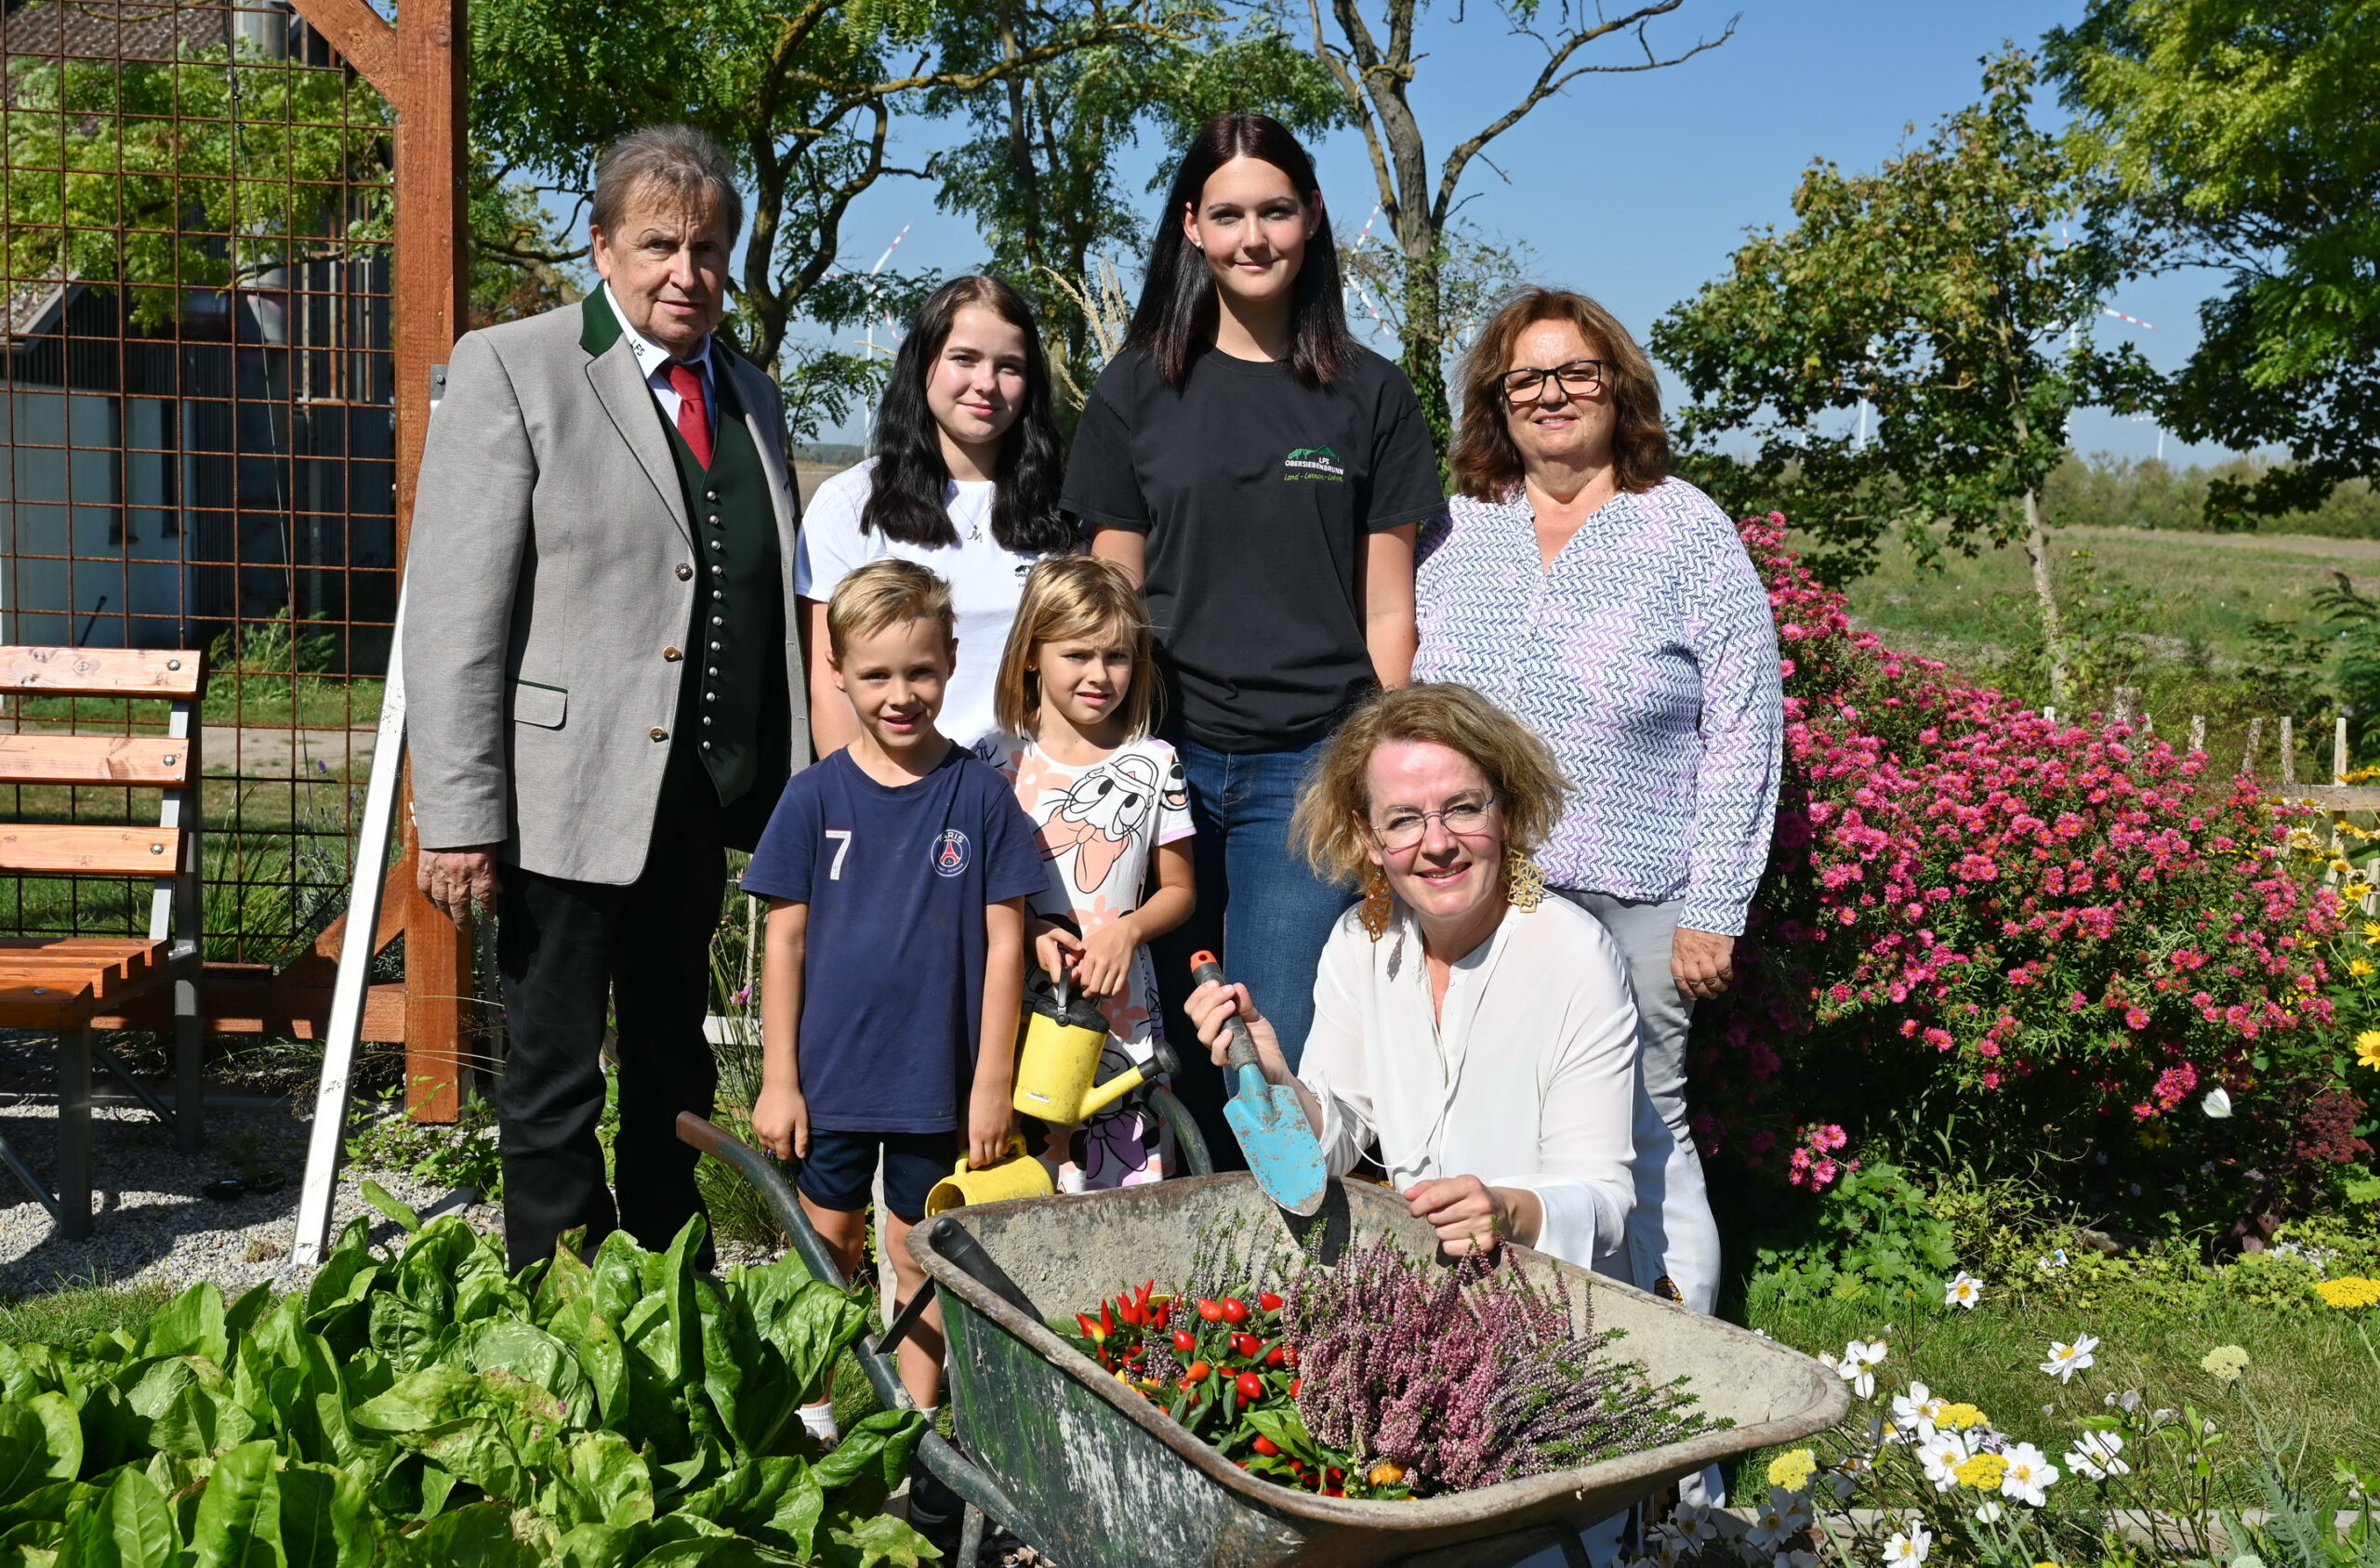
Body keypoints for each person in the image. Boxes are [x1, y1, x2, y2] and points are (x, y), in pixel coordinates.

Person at [406, 125, 804, 1273]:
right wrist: (465, 812)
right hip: (561, 802)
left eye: (710, 247)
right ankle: (559, 1315)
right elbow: (455, 613)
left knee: (676, 1070)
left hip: (699, 802)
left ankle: (669, 1299)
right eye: (660, 244)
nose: (688, 270)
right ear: (602, 248)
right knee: (553, 1077)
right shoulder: (515, 366)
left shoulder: (753, 397)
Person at [1063, 112, 1445, 1166]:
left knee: (1265, 1035)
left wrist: (1384, 756)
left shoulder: (1370, 394)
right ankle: (1161, 1279)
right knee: (1150, 1042)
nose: (1253, 236)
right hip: (1162, 764)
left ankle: (1276, 1281)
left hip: (1308, 764)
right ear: (1190, 227)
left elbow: (1387, 609)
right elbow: (1112, 601)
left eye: (1274, 210)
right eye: (1227, 214)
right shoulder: (1136, 387)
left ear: (1312, 218)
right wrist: (1105, 762)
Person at [1413, 286, 1783, 1322]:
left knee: (1643, 1122)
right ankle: (1530, 1358)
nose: (1551, 395)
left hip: (1637, 891)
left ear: (1618, 389)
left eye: (1576, 372)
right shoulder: (1459, 530)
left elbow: (1745, 722)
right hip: (1484, 891)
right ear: (1496, 399)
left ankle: (1684, 1391)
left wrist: (1715, 904)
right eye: (1524, 378)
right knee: (1497, 1122)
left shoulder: (1686, 530)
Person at [1183, 682, 1638, 1270]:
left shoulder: (1574, 954)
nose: (1439, 843)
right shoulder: (1359, 941)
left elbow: (1605, 1200)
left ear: (1508, 810)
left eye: (1464, 807)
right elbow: (1335, 1139)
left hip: (1569, 1290)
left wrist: (1504, 1210)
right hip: (1427, 1279)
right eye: (1403, 820)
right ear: (1370, 838)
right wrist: (1274, 1072)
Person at [745, 560, 1044, 1432]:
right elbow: (785, 942)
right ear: (837, 671)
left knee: (917, 1255)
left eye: (920, 670)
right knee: (824, 1248)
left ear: (952, 661)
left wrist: (991, 1081)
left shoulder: (982, 798)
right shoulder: (813, 798)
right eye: (875, 674)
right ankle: (816, 1415)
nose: (901, 693)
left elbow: (1003, 945)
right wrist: (778, 1078)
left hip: (933, 1084)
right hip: (829, 1081)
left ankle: (917, 1425)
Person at [978, 555, 1196, 1191]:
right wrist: (1028, 930)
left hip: (1121, 1021)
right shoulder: (992, 762)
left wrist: (1126, 932)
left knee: (1123, 1215)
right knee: (1018, 1194)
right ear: (1030, 655)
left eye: (1118, 657)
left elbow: (1180, 890)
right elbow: (970, 892)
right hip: (1014, 1013)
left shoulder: (1156, 764)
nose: (1100, 675)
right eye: (1077, 654)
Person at [798, 275, 1074, 756]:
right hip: (905, 802)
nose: (985, 384)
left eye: (1009, 367)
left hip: (1044, 800)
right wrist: (867, 806)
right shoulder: (848, 503)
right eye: (964, 359)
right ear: (923, 364)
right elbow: (830, 686)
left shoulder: (1065, 508)